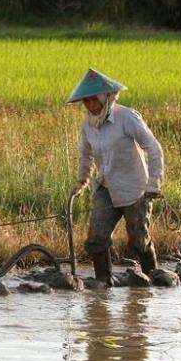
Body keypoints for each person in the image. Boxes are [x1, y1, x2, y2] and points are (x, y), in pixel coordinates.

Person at [68, 68, 165, 286]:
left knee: (139, 242)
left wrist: (154, 184)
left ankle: (153, 282)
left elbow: (154, 148)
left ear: (106, 98)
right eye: (86, 102)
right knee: (96, 240)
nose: (90, 106)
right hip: (106, 187)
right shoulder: (88, 125)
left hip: (135, 189)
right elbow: (86, 155)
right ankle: (103, 285)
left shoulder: (127, 117)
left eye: (94, 100)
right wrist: (82, 181)